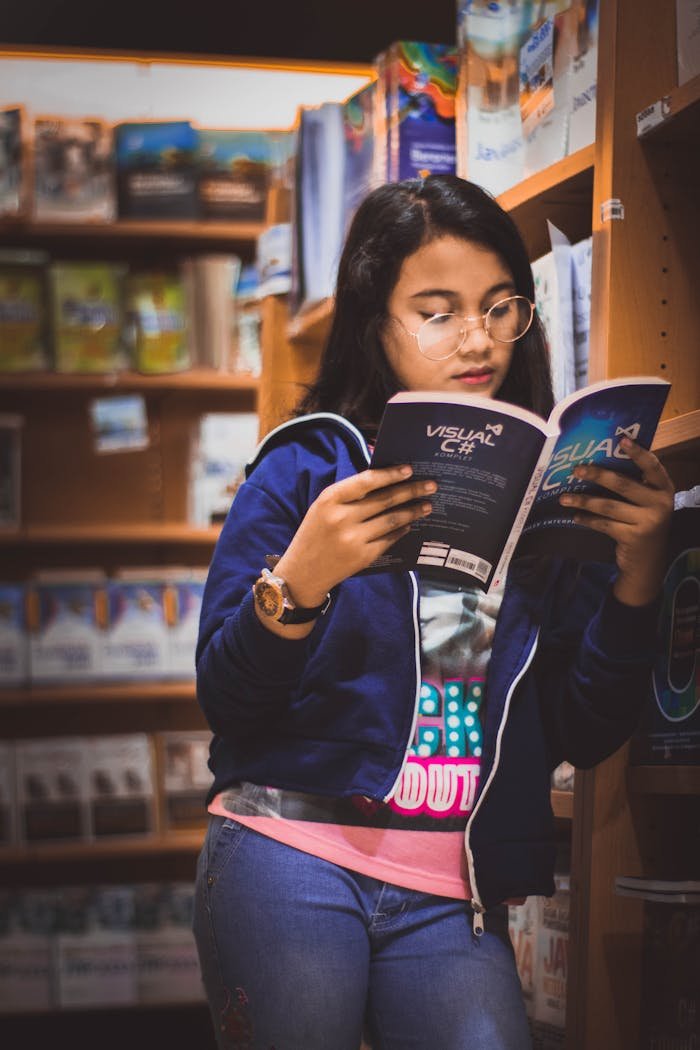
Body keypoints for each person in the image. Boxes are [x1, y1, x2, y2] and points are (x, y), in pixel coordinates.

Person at [192, 174, 674, 1050]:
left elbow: (575, 730)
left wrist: (638, 577)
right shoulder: (307, 469)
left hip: (455, 885)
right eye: (437, 310)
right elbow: (225, 698)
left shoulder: (544, 490)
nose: (477, 339)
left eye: (500, 307)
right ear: (377, 322)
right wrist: (303, 578)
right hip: (290, 850)